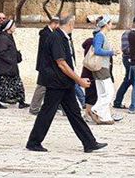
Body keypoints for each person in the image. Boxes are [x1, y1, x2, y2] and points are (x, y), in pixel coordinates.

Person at [26, 15, 106, 153]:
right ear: (70, 24)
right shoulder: (56, 38)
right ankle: (33, 142)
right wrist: (79, 80)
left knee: (74, 113)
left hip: (64, 83)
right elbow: (61, 63)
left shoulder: (62, 37)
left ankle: (89, 143)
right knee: (47, 112)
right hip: (56, 82)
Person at [89, 16, 119, 124]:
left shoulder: (101, 36)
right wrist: (111, 52)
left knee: (102, 93)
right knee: (109, 92)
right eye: (111, 23)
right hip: (101, 67)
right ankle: (95, 109)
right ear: (106, 24)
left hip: (102, 66)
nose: (112, 25)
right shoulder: (100, 36)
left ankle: (104, 117)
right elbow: (97, 50)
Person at [0, 20, 29, 109]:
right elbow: (2, 52)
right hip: (6, 67)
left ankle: (21, 101)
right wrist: (11, 60)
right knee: (2, 85)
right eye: (13, 25)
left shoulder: (9, 37)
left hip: (11, 67)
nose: (15, 27)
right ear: (9, 28)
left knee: (17, 84)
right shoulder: (3, 38)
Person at [29, 19, 56, 115]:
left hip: (47, 65)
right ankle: (34, 108)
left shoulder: (47, 33)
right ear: (54, 24)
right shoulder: (46, 34)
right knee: (42, 87)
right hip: (45, 66)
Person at [112, 24, 133, 110]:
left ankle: (118, 101)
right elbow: (125, 49)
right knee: (128, 80)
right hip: (129, 59)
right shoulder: (127, 34)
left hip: (133, 60)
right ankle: (118, 102)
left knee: (130, 81)